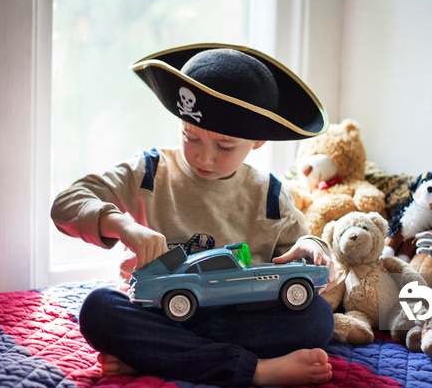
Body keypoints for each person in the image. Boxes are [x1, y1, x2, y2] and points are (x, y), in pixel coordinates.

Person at [51, 44, 335, 387]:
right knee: (98, 309)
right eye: (191, 137)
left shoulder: (270, 194)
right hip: (159, 313)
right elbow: (66, 203)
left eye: (225, 146)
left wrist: (311, 245)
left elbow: (300, 245)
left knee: (317, 319)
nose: (204, 157)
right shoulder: (149, 170)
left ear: (258, 140)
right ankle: (255, 371)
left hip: (237, 316)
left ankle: (153, 355)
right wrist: (122, 225)